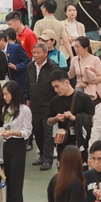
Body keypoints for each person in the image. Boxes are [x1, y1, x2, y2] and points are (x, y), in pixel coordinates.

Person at [48, 70, 96, 167]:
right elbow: (48, 121)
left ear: (66, 82)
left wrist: (75, 118)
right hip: (63, 142)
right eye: (54, 87)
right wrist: (56, 119)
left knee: (81, 170)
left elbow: (93, 119)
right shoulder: (54, 101)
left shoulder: (84, 98)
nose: (55, 90)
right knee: (63, 171)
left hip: (80, 141)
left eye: (57, 86)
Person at [27, 43, 61, 171]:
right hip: (35, 105)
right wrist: (28, 103)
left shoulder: (53, 67)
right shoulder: (30, 66)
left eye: (38, 53)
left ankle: (48, 159)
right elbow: (28, 86)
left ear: (45, 53)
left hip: (48, 106)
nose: (35, 55)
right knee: (38, 132)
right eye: (33, 52)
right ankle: (42, 155)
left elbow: (57, 86)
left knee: (47, 133)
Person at [68, 36, 101, 103]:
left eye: (78, 47)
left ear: (86, 48)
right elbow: (70, 74)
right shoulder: (75, 59)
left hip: (92, 90)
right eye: (75, 47)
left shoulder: (95, 59)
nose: (76, 49)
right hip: (79, 89)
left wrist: (87, 82)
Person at [2, 29, 30, 93]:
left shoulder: (16, 47)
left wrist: (17, 66)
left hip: (18, 81)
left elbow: (27, 60)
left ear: (2, 40)